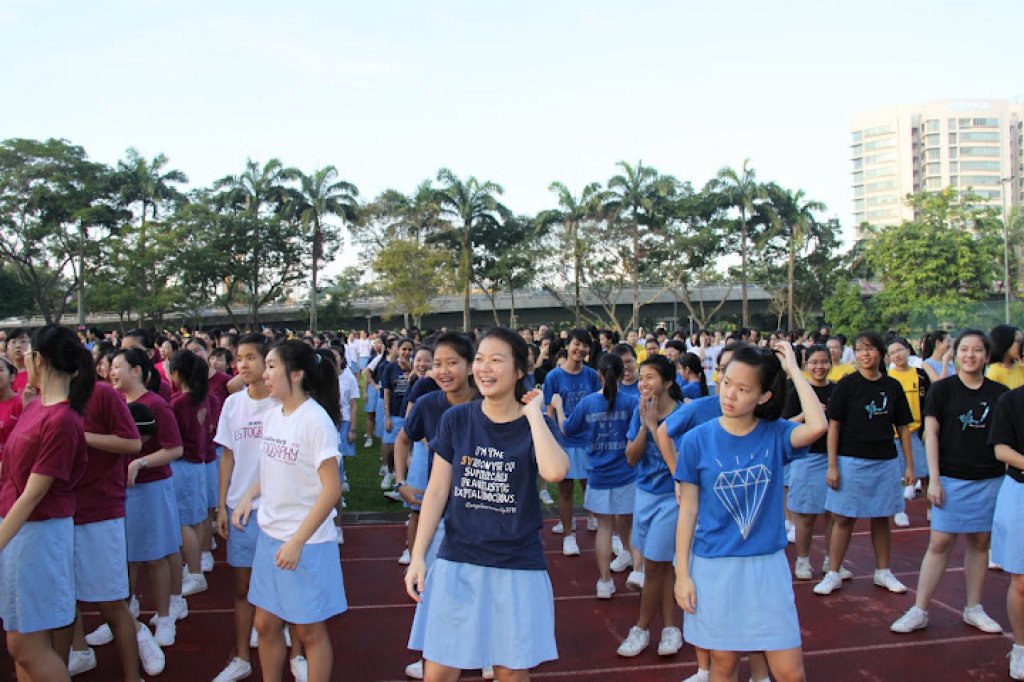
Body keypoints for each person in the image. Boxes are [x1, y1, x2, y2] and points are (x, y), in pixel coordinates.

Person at [405, 327, 570, 680]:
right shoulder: (457, 419)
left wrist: (534, 415)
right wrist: (418, 556)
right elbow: (437, 491)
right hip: (458, 559)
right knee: (439, 670)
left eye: (496, 360)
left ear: (519, 371)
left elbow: (555, 471)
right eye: (480, 359)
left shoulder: (535, 424)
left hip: (517, 565)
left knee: (509, 672)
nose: (484, 368)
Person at [674, 342, 826, 682]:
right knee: (724, 666)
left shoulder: (776, 433)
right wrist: (682, 574)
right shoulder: (697, 440)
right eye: (727, 382)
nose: (729, 394)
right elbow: (688, 511)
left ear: (763, 396)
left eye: (743, 389)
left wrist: (794, 370)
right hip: (714, 566)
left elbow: (818, 426)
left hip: (766, 567)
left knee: (790, 673)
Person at [233, 341, 346, 682]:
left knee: (309, 631)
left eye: (271, 366)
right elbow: (271, 469)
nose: (264, 374)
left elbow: (331, 489)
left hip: (306, 544)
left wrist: (297, 541)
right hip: (271, 537)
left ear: (295, 374)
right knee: (265, 624)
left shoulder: (315, 421)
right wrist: (247, 496)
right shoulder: (274, 415)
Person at [890, 329, 1007, 636]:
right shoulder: (942, 390)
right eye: (964, 349)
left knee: (980, 542)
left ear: (987, 355)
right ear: (954, 354)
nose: (970, 355)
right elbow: (930, 434)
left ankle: (973, 607)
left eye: (977, 350)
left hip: (989, 478)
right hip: (950, 478)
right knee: (940, 542)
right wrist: (934, 480)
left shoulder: (999, 393)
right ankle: (920, 609)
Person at [0, 324, 94, 681]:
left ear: (38, 359)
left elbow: (32, 495)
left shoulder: (61, 420)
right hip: (19, 530)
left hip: (36, 536)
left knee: (26, 645)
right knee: (22, 643)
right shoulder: (36, 406)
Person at [214, 334, 306, 682]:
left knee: (289, 587)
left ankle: (297, 656)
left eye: (252, 357)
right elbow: (227, 456)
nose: (244, 365)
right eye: (239, 358)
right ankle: (241, 657)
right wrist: (221, 506)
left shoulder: (283, 404)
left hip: (280, 510)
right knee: (243, 589)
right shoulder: (233, 405)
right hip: (242, 510)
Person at [393, 332, 483, 680]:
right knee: (435, 588)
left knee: (480, 588)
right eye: (437, 364)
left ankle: (484, 649)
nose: (443, 371)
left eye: (452, 363)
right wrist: (401, 482)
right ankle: (434, 652)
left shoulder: (489, 402)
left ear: (470, 366)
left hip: (485, 514)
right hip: (442, 512)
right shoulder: (429, 404)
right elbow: (403, 439)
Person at [814, 331, 914, 596]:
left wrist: (909, 465)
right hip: (851, 461)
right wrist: (832, 465)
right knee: (843, 518)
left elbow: (903, 427)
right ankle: (833, 572)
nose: (865, 354)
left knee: (882, 518)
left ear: (880, 353)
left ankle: (883, 571)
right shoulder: (846, 385)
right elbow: (834, 426)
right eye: (860, 349)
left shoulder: (892, 386)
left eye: (870, 348)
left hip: (885, 461)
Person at [102, 348, 185, 648]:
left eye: (117, 366)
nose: (112, 372)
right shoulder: (114, 403)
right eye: (110, 367)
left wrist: (141, 463)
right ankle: (126, 614)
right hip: (120, 490)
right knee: (124, 557)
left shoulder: (156, 405)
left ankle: (164, 617)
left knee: (155, 555)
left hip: (151, 489)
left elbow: (174, 448)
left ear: (137, 371)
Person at [554, 353, 640, 599]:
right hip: (627, 474)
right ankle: (638, 571)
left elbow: (567, 428)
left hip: (599, 475)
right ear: (621, 374)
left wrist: (559, 407)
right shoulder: (631, 402)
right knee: (630, 525)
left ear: (599, 375)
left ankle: (604, 582)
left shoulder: (588, 403)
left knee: (604, 528)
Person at [616, 354, 685, 658]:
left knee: (654, 565)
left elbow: (678, 467)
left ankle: (641, 628)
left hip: (672, 498)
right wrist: (645, 426)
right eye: (641, 378)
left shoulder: (684, 416)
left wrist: (656, 425)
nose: (643, 383)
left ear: (668, 382)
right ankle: (670, 628)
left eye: (650, 378)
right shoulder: (639, 410)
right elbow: (631, 458)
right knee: (662, 566)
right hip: (644, 494)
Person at [784, 344, 846, 581]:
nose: (820, 367)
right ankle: (802, 560)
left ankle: (832, 560)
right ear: (806, 364)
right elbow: (786, 424)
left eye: (824, 362)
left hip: (834, 457)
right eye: (814, 362)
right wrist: (809, 414)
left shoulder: (838, 389)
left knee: (834, 514)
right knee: (805, 515)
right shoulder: (798, 390)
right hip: (806, 457)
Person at [543, 328, 601, 555]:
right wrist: (552, 440)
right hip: (565, 442)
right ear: (567, 345)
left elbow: (598, 406)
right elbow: (550, 411)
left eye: (585, 345)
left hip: (588, 440)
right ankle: (569, 535)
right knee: (565, 490)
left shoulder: (592, 375)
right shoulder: (554, 377)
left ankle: (596, 519)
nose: (581, 349)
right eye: (577, 343)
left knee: (591, 487)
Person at [168, 350, 214, 597]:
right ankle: (194, 566)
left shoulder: (178, 403)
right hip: (198, 463)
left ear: (176, 373)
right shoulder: (201, 398)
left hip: (183, 464)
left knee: (184, 521)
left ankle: (195, 571)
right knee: (195, 518)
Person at [990, 376, 1024, 679]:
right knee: (1021, 580)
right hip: (1020, 491)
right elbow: (1001, 450)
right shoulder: (1011, 401)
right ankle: (1021, 648)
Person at [886, 337, 931, 528]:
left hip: (917, 432)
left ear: (908, 350)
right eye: (892, 352)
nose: (897, 355)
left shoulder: (920, 375)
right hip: (894, 434)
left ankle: (931, 508)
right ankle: (899, 510)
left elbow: (929, 402)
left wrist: (927, 428)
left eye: (900, 350)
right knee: (897, 476)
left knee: (925, 473)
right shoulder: (888, 379)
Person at [987, 325, 1024, 390]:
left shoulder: (1020, 367)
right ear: (1006, 342)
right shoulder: (995, 373)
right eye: (1018, 341)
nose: (1021, 345)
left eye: (1022, 342)